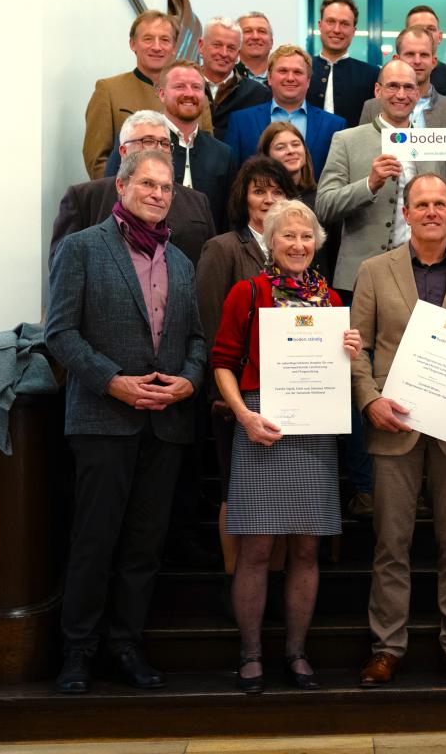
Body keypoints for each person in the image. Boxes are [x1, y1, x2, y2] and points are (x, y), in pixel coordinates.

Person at [47, 149, 207, 693]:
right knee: (94, 540)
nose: (159, 194)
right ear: (121, 186)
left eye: (166, 187)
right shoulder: (82, 249)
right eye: (148, 184)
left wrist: (189, 378)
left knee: (144, 544)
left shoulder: (181, 263)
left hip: (165, 425)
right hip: (102, 420)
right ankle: (78, 652)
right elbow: (61, 333)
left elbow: (196, 341)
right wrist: (112, 380)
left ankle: (126, 645)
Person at [351, 173, 446, 688]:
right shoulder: (374, 270)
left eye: (441, 204)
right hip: (395, 425)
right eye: (423, 204)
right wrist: (369, 400)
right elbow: (359, 349)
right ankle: (387, 647)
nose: (432, 211)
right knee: (391, 544)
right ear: (407, 213)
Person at [210, 198, 361, 693]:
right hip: (260, 424)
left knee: (307, 549)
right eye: (287, 236)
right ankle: (250, 654)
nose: (298, 245)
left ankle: (296, 653)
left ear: (317, 244)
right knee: (254, 550)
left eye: (306, 237)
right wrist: (244, 416)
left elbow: (342, 371)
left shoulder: (333, 303)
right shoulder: (247, 292)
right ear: (270, 243)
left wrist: (350, 350)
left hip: (314, 431)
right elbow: (222, 362)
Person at [196, 157, 297, 577]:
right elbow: (207, 324)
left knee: (279, 497)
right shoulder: (222, 248)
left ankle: (267, 590)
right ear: (243, 197)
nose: (269, 198)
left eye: (277, 191)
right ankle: (235, 583)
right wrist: (225, 397)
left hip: (291, 395)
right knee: (236, 494)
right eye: (259, 190)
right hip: (236, 397)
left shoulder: (298, 251)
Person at [316, 60, 446, 295]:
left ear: (418, 93)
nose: (401, 94)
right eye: (393, 86)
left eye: (409, 87)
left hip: (421, 276)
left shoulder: (433, 143)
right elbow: (324, 207)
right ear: (378, 91)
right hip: (359, 278)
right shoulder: (346, 140)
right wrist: (369, 185)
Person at [52, 110, 213, 267]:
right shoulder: (85, 197)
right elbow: (64, 268)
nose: (158, 149)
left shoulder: (197, 201)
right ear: (123, 150)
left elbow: (209, 265)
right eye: (147, 141)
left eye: (164, 143)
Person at [105, 60, 239, 235]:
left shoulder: (223, 153)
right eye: (180, 86)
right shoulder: (136, 141)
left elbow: (227, 220)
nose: (189, 93)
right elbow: (109, 195)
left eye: (197, 87)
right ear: (161, 94)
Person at [83, 10, 212, 179]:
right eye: (148, 39)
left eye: (165, 40)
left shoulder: (194, 95)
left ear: (174, 47)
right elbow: (97, 160)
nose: (157, 47)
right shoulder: (108, 90)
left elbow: (210, 153)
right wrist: (121, 196)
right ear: (132, 44)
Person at [226, 44, 346, 173]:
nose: (290, 78)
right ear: (270, 78)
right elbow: (232, 175)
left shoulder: (335, 126)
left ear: (308, 80)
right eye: (283, 71)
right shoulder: (241, 121)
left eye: (297, 72)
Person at [358, 26, 446, 128]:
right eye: (410, 54)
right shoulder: (371, 107)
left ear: (433, 62)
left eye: (424, 55)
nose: (417, 61)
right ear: (396, 59)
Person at [307, 0, 379, 129]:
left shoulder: (372, 75)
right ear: (320, 25)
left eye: (344, 24)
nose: (336, 30)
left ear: (354, 30)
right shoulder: (301, 69)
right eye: (331, 22)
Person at [198, 16, 272, 142]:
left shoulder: (258, 95)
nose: (224, 53)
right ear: (201, 46)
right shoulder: (183, 88)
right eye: (217, 45)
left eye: (231, 48)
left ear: (238, 54)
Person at [403, 4, 446, 95]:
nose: (425, 34)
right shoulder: (388, 78)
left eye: (431, 29)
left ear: (440, 37)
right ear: (405, 35)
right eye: (417, 29)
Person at [257, 122, 318, 209]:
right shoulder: (261, 199)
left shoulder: (321, 197)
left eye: (295, 144)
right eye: (280, 147)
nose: (291, 151)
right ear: (267, 156)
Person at [236, 11, 274, 84]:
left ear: (271, 42)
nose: (255, 37)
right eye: (248, 31)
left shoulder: (283, 79)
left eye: (262, 31)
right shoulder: (227, 77)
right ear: (236, 41)